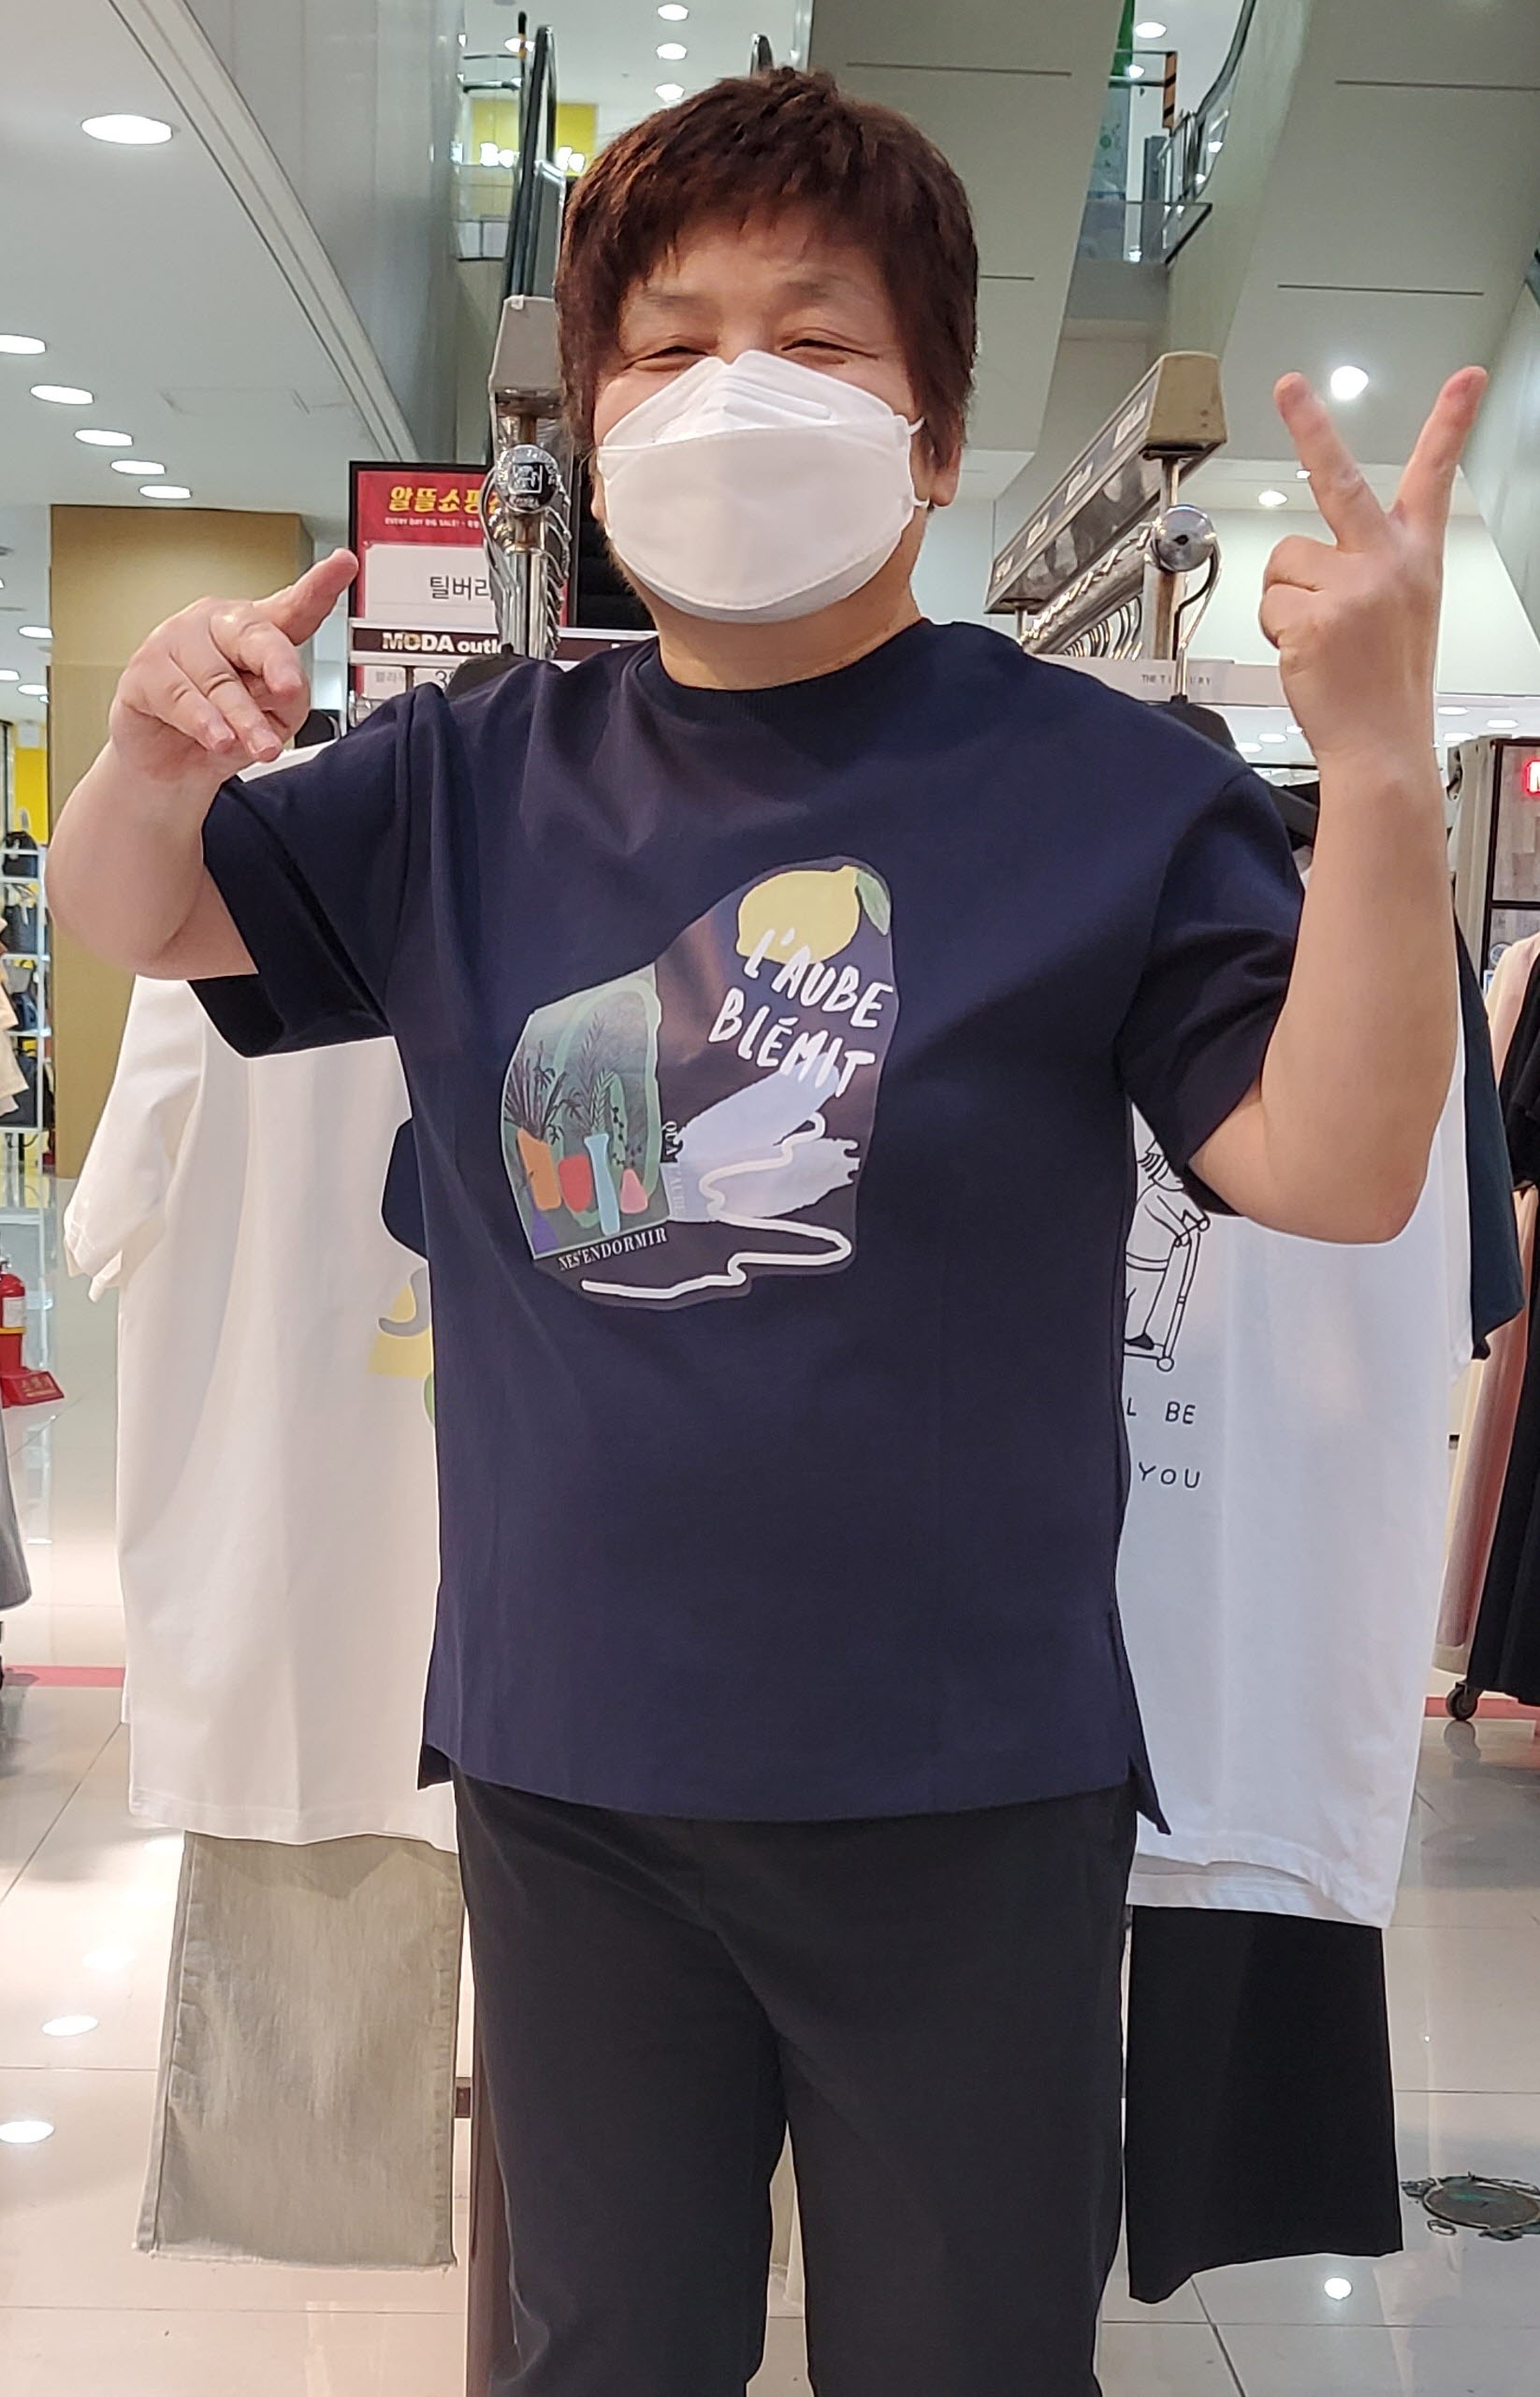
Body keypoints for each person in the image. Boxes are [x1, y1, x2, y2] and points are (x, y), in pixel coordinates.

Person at [50, 65, 1482, 2397]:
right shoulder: (468, 776)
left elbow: (1335, 1165)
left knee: (961, 2357)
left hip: (965, 1782)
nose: (733, 389)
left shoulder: (1111, 790)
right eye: (669, 342)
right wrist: (146, 757)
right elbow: (152, 916)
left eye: (813, 340)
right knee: (599, 2350)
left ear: (933, 436)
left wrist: (1389, 759)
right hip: (574, 1769)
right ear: (594, 426)